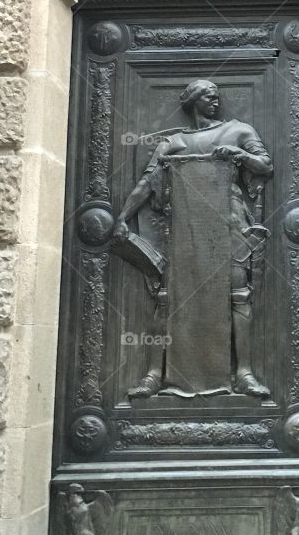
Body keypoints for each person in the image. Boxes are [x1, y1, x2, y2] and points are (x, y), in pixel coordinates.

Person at [114, 79, 273, 398]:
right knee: (167, 297)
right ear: (193, 102)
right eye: (208, 97)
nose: (215, 102)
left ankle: (243, 373)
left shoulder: (239, 131)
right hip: (186, 228)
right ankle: (154, 374)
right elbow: (147, 184)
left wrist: (240, 154)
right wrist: (123, 217)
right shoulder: (173, 143)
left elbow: (265, 166)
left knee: (238, 294)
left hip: (230, 224)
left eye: (216, 97)